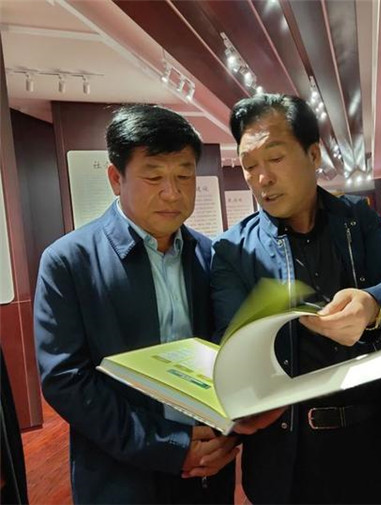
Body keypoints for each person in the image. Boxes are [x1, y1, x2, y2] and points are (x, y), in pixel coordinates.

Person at [211, 93, 381, 504]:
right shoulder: (233, 250)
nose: (262, 178)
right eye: (249, 166)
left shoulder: (356, 219)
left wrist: (372, 305)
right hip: (290, 453)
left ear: (313, 154)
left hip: (376, 440)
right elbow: (229, 339)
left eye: (274, 158)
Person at [34, 105, 237, 504]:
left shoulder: (209, 255)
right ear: (116, 178)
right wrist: (169, 445)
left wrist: (226, 436)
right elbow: (66, 380)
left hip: (206, 471)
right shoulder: (69, 261)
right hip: (121, 477)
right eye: (154, 176)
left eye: (184, 175)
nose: (172, 193)